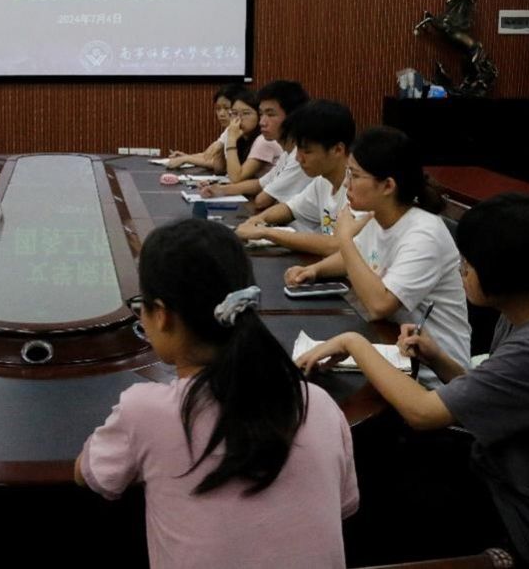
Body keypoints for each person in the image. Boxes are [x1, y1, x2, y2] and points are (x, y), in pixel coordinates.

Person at [296, 193, 529, 569]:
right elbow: (494, 395)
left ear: (502, 275)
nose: (461, 270)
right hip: (508, 483)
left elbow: (423, 413)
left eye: (468, 264)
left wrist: (354, 344)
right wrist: (437, 358)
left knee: (370, 493)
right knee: (375, 459)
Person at [76, 219, 358, 569]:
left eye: (141, 306)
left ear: (161, 315)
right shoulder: (318, 404)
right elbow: (343, 505)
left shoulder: (145, 411)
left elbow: (87, 473)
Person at [285, 126, 470, 385]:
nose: (347, 183)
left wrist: (344, 239)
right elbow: (356, 257)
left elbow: (379, 305)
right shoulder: (377, 216)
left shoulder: (424, 234)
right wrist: (315, 270)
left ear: (388, 186)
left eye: (355, 175)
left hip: (433, 379)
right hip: (392, 351)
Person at [235, 100, 356, 255]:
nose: (298, 158)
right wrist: (257, 221)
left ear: (337, 150)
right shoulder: (323, 181)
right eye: (297, 150)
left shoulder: (359, 187)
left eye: (307, 151)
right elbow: (290, 209)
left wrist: (266, 232)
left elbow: (337, 246)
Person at [199, 79, 311, 211]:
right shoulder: (287, 153)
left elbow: (261, 200)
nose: (262, 122)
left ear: (293, 116)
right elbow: (260, 183)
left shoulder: (300, 157)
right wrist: (220, 190)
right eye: (261, 114)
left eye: (270, 114)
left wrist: (230, 141)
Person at [165, 83, 243, 172]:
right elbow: (208, 155)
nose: (221, 114)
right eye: (218, 109)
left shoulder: (242, 132)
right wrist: (186, 156)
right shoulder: (229, 130)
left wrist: (187, 159)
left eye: (226, 108)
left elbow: (219, 165)